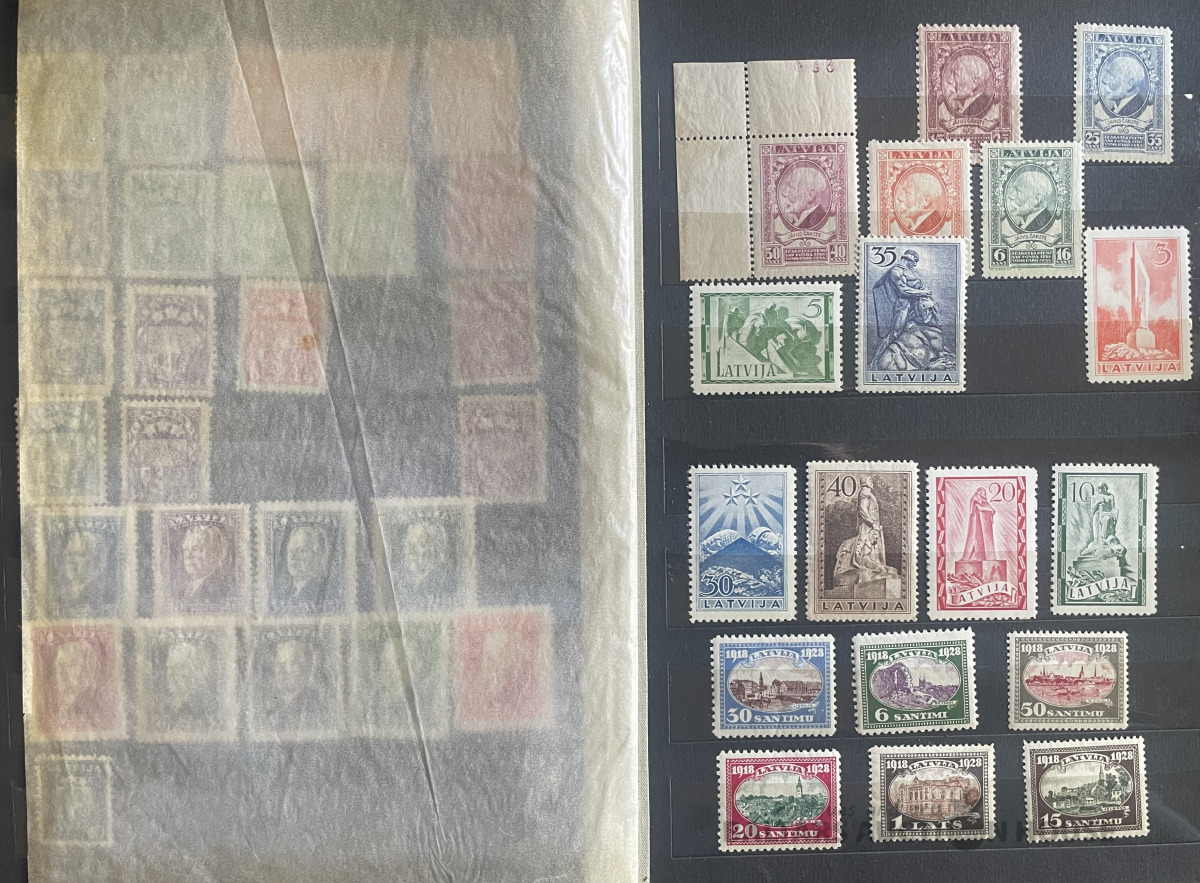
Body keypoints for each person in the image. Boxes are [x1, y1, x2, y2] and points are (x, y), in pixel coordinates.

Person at [871, 249, 950, 371]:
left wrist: (923, 293)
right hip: (903, 306)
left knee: (931, 329)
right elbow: (903, 290)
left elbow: (917, 287)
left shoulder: (911, 272)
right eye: (915, 260)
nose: (915, 264)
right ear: (910, 257)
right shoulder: (896, 271)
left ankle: (938, 355)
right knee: (894, 334)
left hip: (916, 308)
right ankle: (875, 362)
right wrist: (923, 292)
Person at [261, 636, 329, 731]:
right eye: (278, 664)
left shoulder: (318, 707)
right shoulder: (270, 707)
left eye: (289, 664)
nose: (280, 671)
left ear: (306, 668)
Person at [50, 527, 114, 616]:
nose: (70, 560)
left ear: (95, 558)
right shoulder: (59, 591)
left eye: (80, 554)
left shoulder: (107, 591)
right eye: (69, 554)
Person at [158, 639, 216, 729]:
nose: (170, 675)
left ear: (192, 671)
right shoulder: (168, 704)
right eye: (170, 669)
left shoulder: (201, 704)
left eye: (178, 668)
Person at [178, 522, 233, 610]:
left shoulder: (219, 588)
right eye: (186, 550)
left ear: (214, 553)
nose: (188, 556)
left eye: (196, 549)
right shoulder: (186, 587)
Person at [277, 523, 332, 609]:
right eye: (290, 551)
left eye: (301, 550)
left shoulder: (324, 589)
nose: (292, 557)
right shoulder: (286, 591)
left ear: (317, 555)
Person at [775, 162, 830, 231]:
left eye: (791, 187)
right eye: (786, 185)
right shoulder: (797, 220)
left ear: (810, 195)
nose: (783, 193)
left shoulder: (817, 220)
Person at [1003, 168, 1057, 234]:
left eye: (1018, 191)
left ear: (1037, 199)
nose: (1011, 196)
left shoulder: (1041, 225)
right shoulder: (1025, 224)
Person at [941, 51, 994, 118]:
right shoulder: (961, 103)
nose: (950, 80)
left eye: (956, 74)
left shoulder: (981, 106)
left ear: (975, 80)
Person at [893, 170, 946, 235]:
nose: (900, 198)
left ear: (927, 199)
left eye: (907, 193)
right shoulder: (912, 225)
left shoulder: (933, 224)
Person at [1098, 52, 1149, 118]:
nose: (1104, 80)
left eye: (1112, 76)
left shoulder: (1135, 109)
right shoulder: (1116, 108)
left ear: (1129, 83)